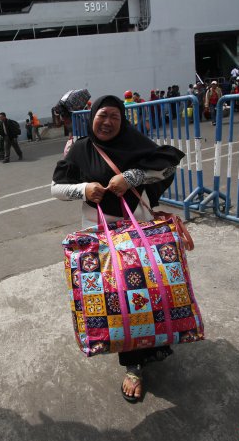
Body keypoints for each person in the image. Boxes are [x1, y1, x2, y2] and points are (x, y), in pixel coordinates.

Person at [51, 95, 185, 403]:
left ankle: (154, 341)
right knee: (119, 296)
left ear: (122, 120)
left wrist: (132, 176)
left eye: (114, 116)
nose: (108, 122)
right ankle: (133, 364)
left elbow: (166, 167)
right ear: (91, 117)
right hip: (101, 236)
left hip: (140, 227)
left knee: (149, 289)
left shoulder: (134, 141)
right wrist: (83, 189)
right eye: (102, 115)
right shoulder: (79, 149)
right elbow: (55, 188)